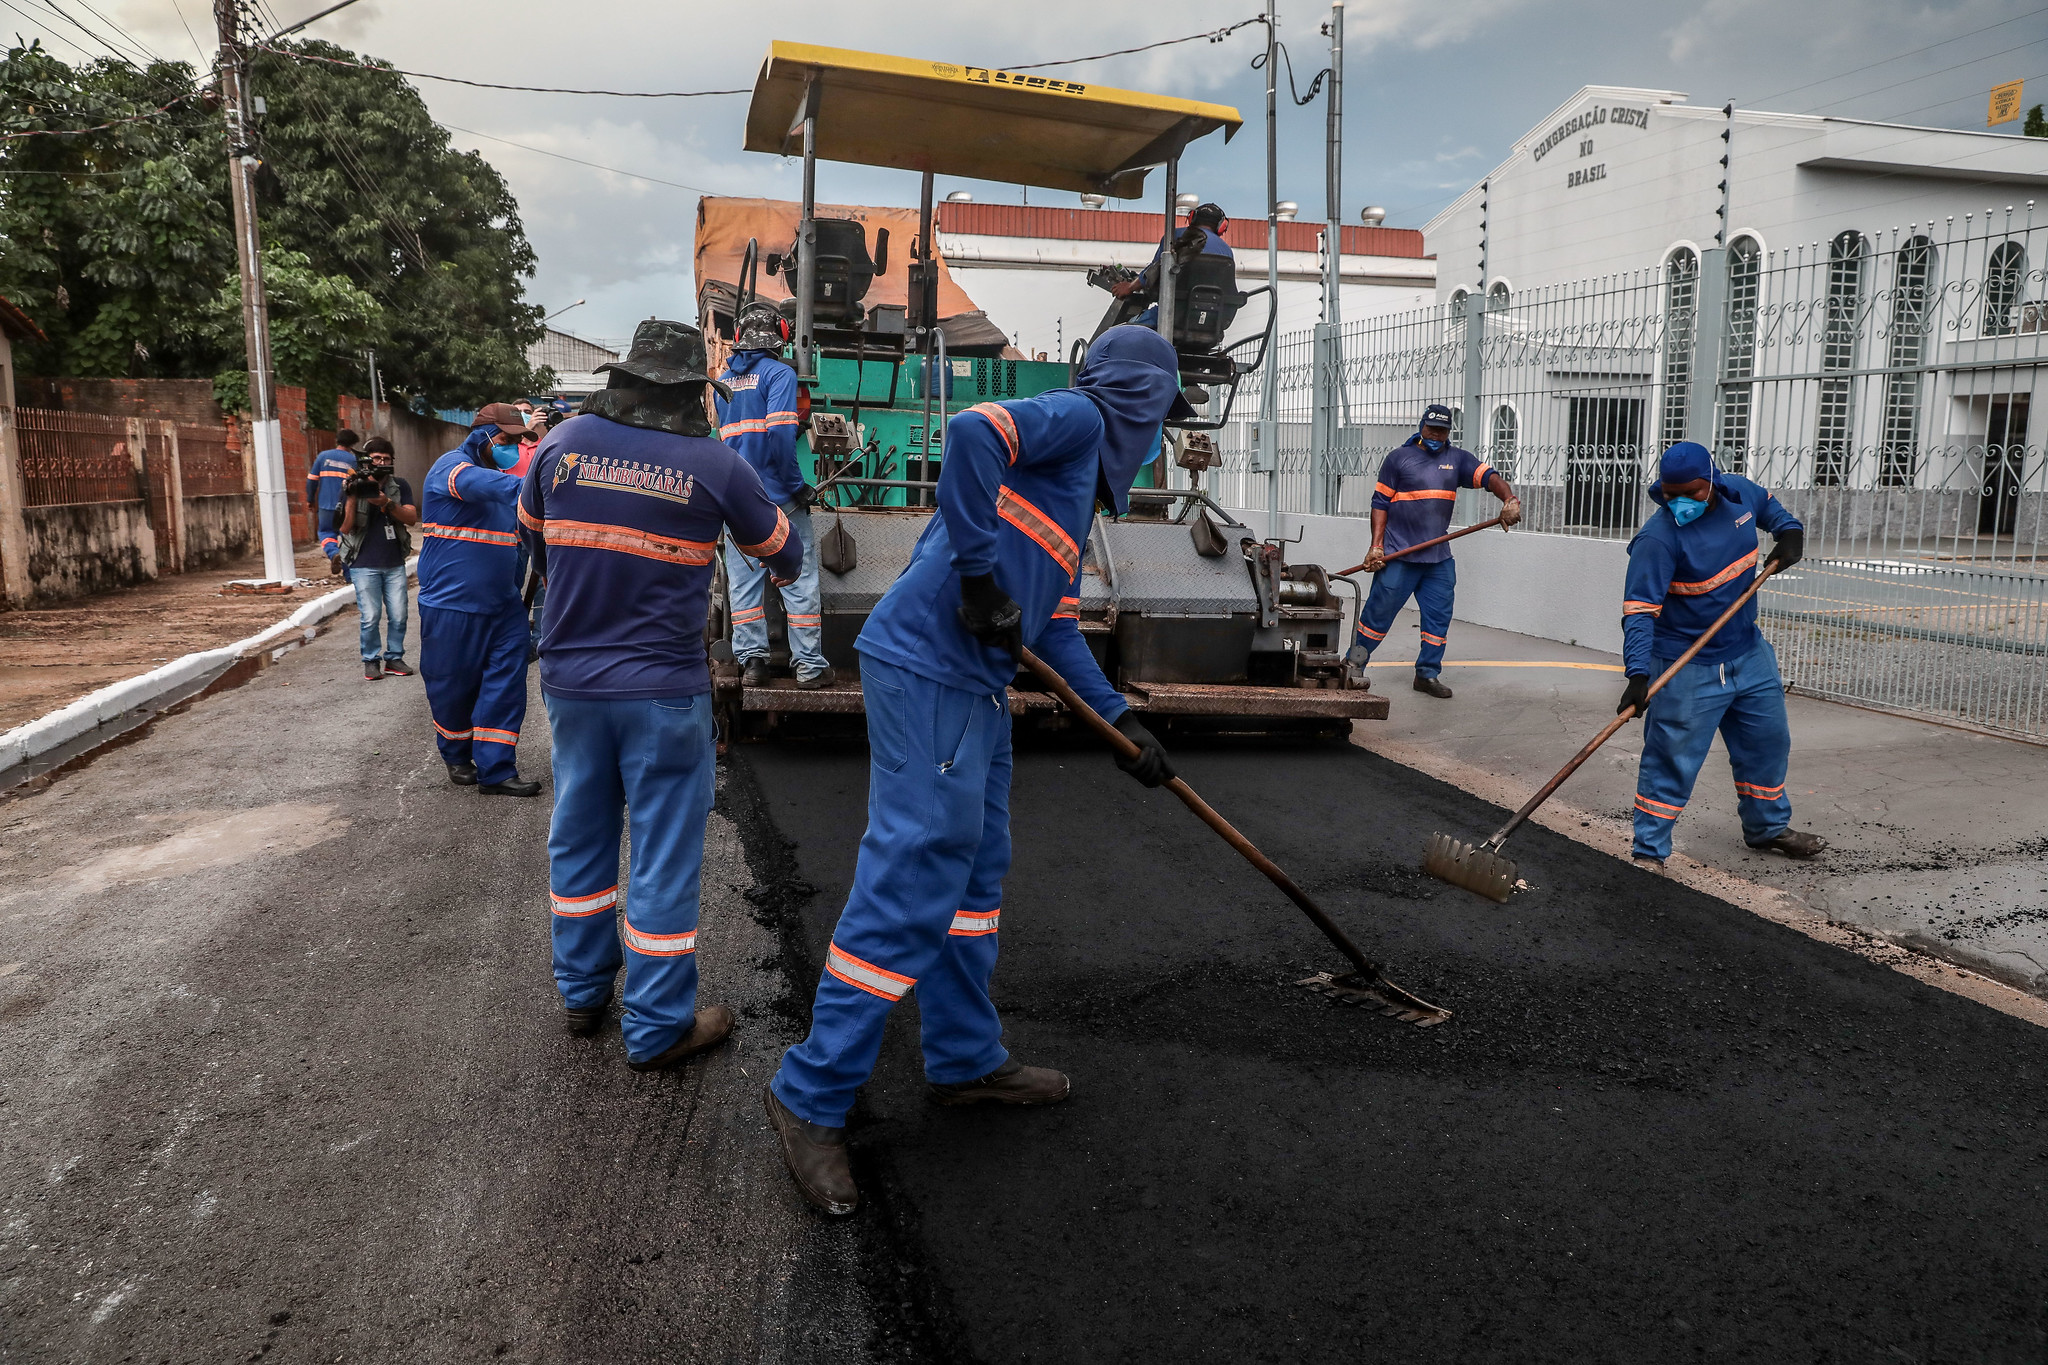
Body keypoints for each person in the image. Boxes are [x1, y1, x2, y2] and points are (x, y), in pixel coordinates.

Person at [765, 325, 1191, 1217]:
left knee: (974, 875)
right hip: (928, 666)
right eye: (1162, 418)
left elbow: (1057, 626)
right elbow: (971, 435)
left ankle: (964, 1059)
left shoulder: (1075, 502)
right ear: (1140, 401)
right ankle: (808, 1095)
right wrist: (974, 579)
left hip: (979, 686)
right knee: (917, 867)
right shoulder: (1077, 416)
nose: (1157, 444)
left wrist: (1123, 725)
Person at [519, 320, 803, 1069]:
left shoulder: (558, 445)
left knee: (578, 834)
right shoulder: (715, 463)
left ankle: (583, 996)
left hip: (573, 685)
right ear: (687, 394)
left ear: (624, 378)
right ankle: (655, 1027)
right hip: (664, 697)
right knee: (663, 858)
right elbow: (786, 553)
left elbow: (534, 540)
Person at [1618, 441, 1827, 872]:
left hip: (1748, 653)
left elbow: (1772, 509)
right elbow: (1639, 614)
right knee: (1671, 759)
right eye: (1670, 493)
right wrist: (1638, 674)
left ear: (1712, 482)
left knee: (1767, 744)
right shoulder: (1657, 540)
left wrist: (1790, 532)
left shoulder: (1740, 494)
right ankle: (1649, 852)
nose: (1680, 502)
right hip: (1686, 667)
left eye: (1691, 493)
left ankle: (1767, 828)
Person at [1345, 402, 1522, 699]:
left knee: (1438, 619)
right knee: (1377, 615)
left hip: (1437, 559)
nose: (1436, 435)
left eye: (1442, 431)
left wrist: (1509, 499)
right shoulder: (1399, 459)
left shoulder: (1458, 460)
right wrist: (1376, 546)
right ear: (1421, 426)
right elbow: (1379, 505)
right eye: (1432, 429)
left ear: (1449, 432)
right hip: (1399, 556)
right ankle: (1353, 666)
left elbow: (1491, 478)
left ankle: (1427, 674)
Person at [418, 403, 539, 796]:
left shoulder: (503, 481)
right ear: (482, 435)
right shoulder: (451, 468)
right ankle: (456, 753)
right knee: (452, 685)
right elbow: (475, 485)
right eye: (506, 440)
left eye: (519, 441)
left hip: (503, 606)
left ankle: (497, 768)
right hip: (452, 604)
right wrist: (535, 486)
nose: (512, 448)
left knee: (506, 683)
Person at [716, 302, 833, 689]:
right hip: (778, 498)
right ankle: (809, 667)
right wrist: (797, 486)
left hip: (737, 501)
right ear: (780, 335)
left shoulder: (723, 383)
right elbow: (781, 436)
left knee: (744, 580)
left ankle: (753, 665)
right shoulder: (779, 374)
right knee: (798, 577)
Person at [336, 436, 417, 681]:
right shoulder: (353, 485)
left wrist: (385, 502)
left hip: (393, 561)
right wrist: (352, 495)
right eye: (376, 458)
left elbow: (411, 518)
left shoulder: (399, 485)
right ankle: (371, 660)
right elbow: (345, 528)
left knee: (399, 614)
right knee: (370, 616)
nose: (381, 462)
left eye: (386, 458)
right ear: (366, 461)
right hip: (363, 562)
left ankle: (394, 657)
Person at [1111, 202, 1234, 331]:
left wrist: (1129, 287)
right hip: (1210, 322)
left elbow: (1152, 272)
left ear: (1192, 218)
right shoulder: (1227, 251)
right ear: (1222, 226)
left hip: (1171, 314)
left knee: (1122, 333)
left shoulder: (1175, 237)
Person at [307, 429, 362, 572]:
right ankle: (350, 576)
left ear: (337, 440)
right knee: (348, 541)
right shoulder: (354, 461)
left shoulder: (323, 456)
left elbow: (311, 480)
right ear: (353, 444)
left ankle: (333, 553)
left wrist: (310, 499)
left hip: (326, 505)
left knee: (326, 533)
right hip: (347, 507)